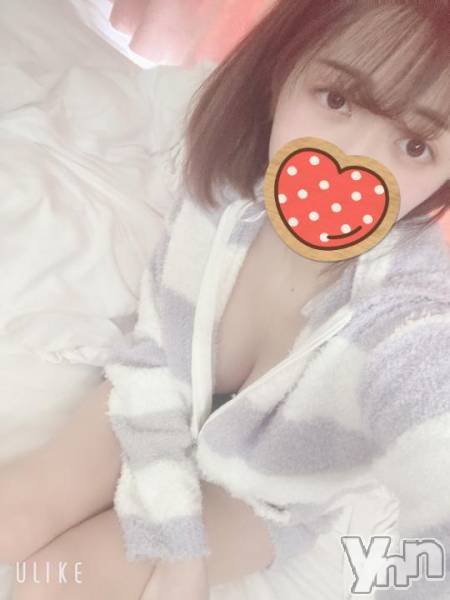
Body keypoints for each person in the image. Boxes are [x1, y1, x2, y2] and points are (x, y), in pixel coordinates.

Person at [1, 1, 449, 599]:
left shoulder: (408, 316)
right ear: (284, 68)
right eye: (337, 98)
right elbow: (155, 355)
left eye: (415, 145)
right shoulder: (227, 191)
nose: (355, 157)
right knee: (21, 508)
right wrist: (170, 519)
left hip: (260, 496)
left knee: (63, 581)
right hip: (159, 392)